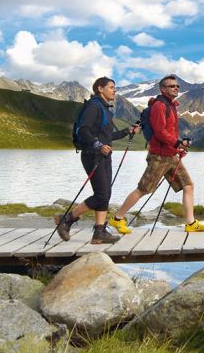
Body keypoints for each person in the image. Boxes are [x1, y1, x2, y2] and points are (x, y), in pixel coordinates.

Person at [109, 74, 204, 233]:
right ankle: (117, 219)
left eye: (177, 86)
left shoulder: (171, 106)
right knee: (143, 189)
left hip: (171, 155)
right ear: (163, 89)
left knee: (188, 185)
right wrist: (178, 143)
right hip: (159, 156)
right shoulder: (160, 106)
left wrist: (177, 148)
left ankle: (190, 223)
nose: (176, 88)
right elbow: (160, 131)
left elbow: (168, 132)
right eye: (172, 86)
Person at [54, 77, 140, 244]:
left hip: (103, 155)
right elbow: (82, 130)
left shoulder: (105, 108)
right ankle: (67, 219)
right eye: (111, 87)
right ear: (100, 89)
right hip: (92, 155)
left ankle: (99, 233)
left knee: (105, 195)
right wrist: (98, 145)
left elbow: (108, 136)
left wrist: (126, 131)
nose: (115, 90)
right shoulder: (94, 106)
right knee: (101, 195)